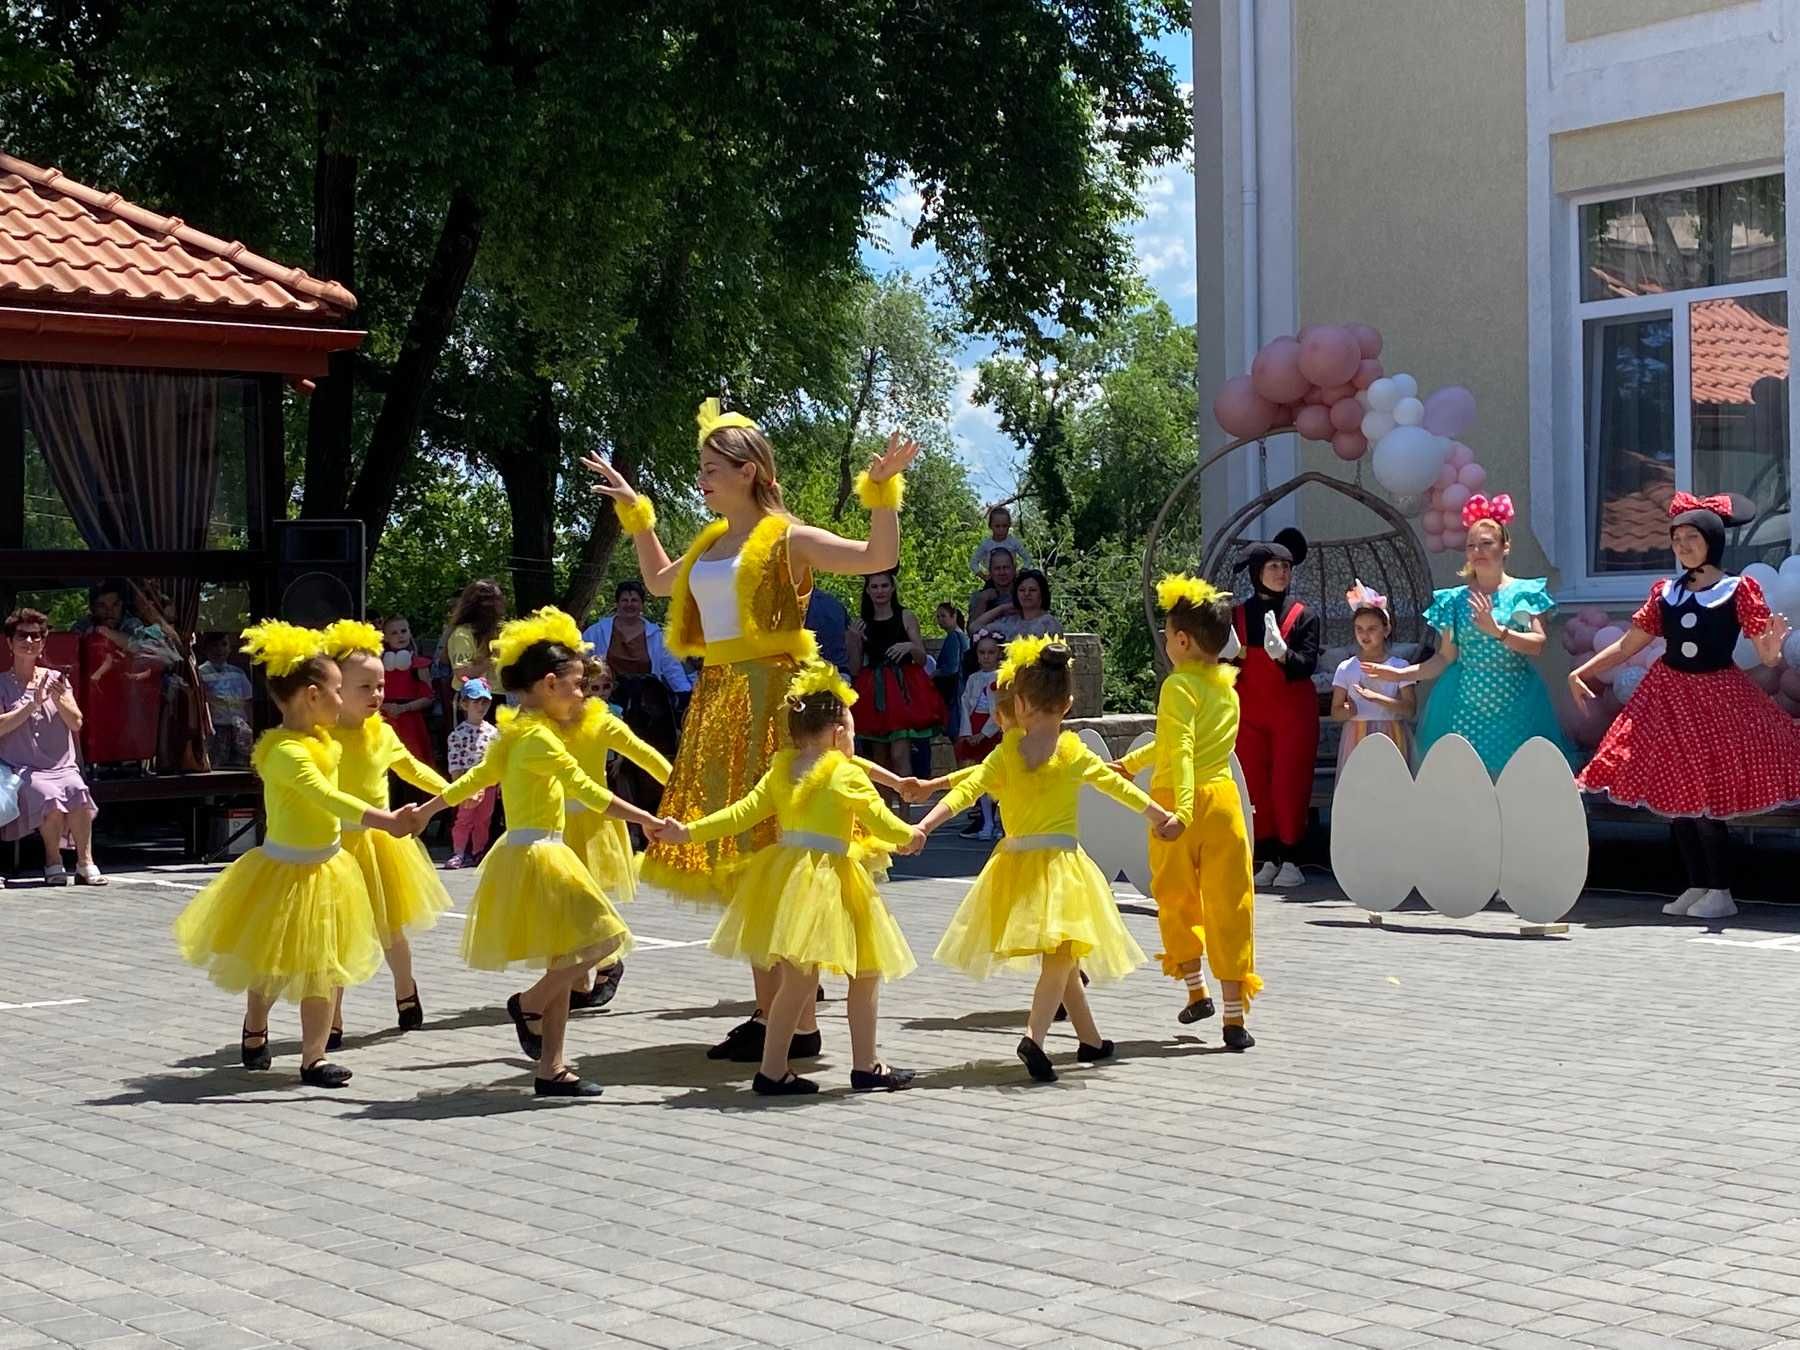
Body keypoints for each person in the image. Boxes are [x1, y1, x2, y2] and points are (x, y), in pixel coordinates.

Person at [582, 396, 918, 1065]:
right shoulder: (710, 542)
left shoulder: (788, 537)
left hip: (772, 703)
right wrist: (637, 513)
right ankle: (778, 1015)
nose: (702, 477)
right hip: (718, 702)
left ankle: (787, 1017)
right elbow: (655, 581)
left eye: (713, 466)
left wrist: (881, 490)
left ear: (749, 471)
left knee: (778, 852)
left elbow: (878, 554)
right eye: (701, 466)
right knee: (745, 861)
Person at [409, 608, 669, 1098]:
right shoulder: (539, 739)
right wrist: (649, 820)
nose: (582, 694)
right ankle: (528, 1003)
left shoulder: (516, 733)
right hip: (542, 854)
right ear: (549, 685)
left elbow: (475, 780)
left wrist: (426, 811)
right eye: (575, 685)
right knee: (604, 941)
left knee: (566, 957)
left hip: (537, 851)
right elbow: (590, 792)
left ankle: (551, 1067)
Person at [913, 638, 1182, 1083]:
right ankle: (1033, 1039)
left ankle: (1091, 1041)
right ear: (1069, 703)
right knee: (1061, 957)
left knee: (1063, 954)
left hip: (1016, 865)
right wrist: (1161, 816)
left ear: (1018, 702)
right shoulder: (1073, 753)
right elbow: (1121, 789)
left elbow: (967, 792)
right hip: (1061, 866)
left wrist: (924, 825)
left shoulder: (1005, 754)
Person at [651, 663, 922, 1096]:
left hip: (788, 874)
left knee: (798, 979)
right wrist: (911, 837)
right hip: (832, 877)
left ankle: (776, 1066)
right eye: (852, 729)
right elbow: (881, 821)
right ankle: (860, 1064)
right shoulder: (845, 771)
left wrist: (688, 831)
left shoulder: (782, 769)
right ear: (837, 733)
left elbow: (741, 813)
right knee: (865, 970)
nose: (854, 738)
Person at [170, 621, 413, 1088]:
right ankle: (256, 1022)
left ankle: (314, 1057)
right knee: (271, 963)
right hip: (285, 870)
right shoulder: (285, 752)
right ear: (311, 695)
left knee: (325, 964)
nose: (343, 700)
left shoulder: (323, 740)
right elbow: (327, 797)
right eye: (338, 690)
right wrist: (386, 820)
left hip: (329, 867)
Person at [1571, 493, 1800, 921]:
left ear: (1712, 540)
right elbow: (1628, 644)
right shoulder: (1666, 592)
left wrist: (1772, 646)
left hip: (1717, 699)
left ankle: (1721, 889)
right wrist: (1582, 670)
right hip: (1668, 698)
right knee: (1677, 798)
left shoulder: (1738, 589)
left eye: (1691, 537)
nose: (1682, 546)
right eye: (1676, 539)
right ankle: (1697, 882)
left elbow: (1767, 655)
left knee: (1706, 796)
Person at [1116, 577, 1259, 1049]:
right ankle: (1234, 1019)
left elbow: (1177, 746)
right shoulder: (1227, 690)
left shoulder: (1178, 686)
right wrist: (1132, 761)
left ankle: (1197, 990)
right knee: (1230, 901)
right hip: (1223, 801)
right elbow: (1183, 741)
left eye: (1167, 635)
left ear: (1182, 640)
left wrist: (1176, 809)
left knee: (1176, 897)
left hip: (1182, 803)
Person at [1370, 493, 1572, 777]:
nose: (1477, 550)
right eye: (1471, 545)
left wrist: (1498, 631)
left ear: (1505, 547)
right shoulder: (1454, 601)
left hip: (1516, 703)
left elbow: (1538, 645)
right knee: (1464, 780)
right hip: (1464, 705)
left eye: (1486, 543)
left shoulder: (1524, 593)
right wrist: (1400, 674)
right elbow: (1444, 658)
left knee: (1517, 777)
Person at [322, 620, 452, 1044]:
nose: (377, 695)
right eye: (366, 687)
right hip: (336, 846)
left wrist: (451, 791)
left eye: (380, 686)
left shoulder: (383, 733)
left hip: (379, 844)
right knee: (337, 933)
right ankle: (333, 1017)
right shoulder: (321, 737)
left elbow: (411, 768)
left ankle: (405, 988)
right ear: (336, 690)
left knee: (390, 927)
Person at [562, 656, 673, 1012]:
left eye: (598, 688)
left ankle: (609, 961)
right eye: (582, 686)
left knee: (587, 902)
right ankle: (578, 981)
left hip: (595, 824)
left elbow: (646, 756)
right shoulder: (551, 722)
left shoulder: (604, 722)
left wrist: (679, 791)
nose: (588, 695)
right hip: (558, 823)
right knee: (566, 906)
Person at [1231, 528, 1321, 889]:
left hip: (1292, 714)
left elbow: (1307, 664)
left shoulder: (1303, 615)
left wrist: (1284, 655)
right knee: (1253, 784)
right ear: (1257, 571)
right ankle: (1265, 855)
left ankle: (1292, 857)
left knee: (1289, 784)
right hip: (1249, 713)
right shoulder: (1236, 615)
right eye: (1273, 566)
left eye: (1285, 566)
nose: (1281, 572)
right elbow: (1227, 667)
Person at [0, 609, 102, 885]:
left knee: (78, 790)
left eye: (37, 636)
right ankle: (53, 860)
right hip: (22, 769)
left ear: (43, 642)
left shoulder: (56, 679)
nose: (30, 641)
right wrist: (32, 703)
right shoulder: (1, 684)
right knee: (49, 797)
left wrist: (59, 700)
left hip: (61, 766)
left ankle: (85, 862)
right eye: (22, 635)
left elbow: (77, 722)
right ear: (9, 642)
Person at [581, 580, 690, 818]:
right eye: (624, 600)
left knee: (648, 750)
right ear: (617, 603)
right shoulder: (597, 631)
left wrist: (684, 694)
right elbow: (581, 660)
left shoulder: (656, 634)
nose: (629, 605)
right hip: (609, 696)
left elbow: (671, 667)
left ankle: (653, 805)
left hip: (647, 703)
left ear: (642, 604)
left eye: (634, 600)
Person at [849, 571, 944, 796]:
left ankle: (905, 816)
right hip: (874, 690)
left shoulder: (906, 616)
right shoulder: (861, 623)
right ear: (868, 590)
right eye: (875, 586)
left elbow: (922, 658)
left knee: (900, 755)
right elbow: (854, 667)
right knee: (879, 760)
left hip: (902, 690)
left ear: (892, 588)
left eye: (884, 586)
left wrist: (909, 647)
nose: (880, 591)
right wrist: (852, 639)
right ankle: (885, 818)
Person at [1330, 581, 1415, 774]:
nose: (1364, 635)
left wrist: (1376, 698)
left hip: (1392, 735)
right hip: (1356, 737)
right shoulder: (1346, 668)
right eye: (1359, 629)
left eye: (1372, 629)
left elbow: (1409, 709)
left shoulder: (1399, 667)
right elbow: (1336, 712)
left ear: (1386, 630)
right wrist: (1347, 710)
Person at [954, 632, 1005, 839]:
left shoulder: (1003, 676)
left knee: (1000, 779)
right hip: (975, 725)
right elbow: (965, 705)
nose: (986, 657)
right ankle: (986, 822)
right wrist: (968, 732)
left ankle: (1001, 823)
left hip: (994, 729)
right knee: (982, 777)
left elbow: (1001, 710)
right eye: (982, 652)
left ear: (998, 654)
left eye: (991, 652)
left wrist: (985, 733)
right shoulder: (974, 678)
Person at [445, 678, 500, 868]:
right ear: (464, 704)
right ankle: (458, 852)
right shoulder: (458, 734)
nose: (481, 706)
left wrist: (499, 782)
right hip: (468, 783)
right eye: (476, 701)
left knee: (483, 820)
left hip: (489, 784)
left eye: (485, 702)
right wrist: (458, 785)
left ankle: (478, 851)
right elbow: (455, 761)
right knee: (464, 819)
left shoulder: (493, 732)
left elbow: (497, 760)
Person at [379, 615, 438, 772]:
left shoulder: (419, 664)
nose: (400, 635)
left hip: (411, 722)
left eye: (404, 631)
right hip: (383, 719)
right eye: (394, 633)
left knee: (414, 766)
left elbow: (429, 697)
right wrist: (384, 706)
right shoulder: (377, 664)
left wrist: (404, 708)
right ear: (385, 637)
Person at [197, 632, 254, 769]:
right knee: (217, 767)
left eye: (224, 645)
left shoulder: (238, 673)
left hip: (240, 729)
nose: (219, 650)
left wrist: (251, 727)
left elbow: (247, 701)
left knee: (242, 767)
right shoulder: (200, 673)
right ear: (206, 649)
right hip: (216, 729)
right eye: (214, 645)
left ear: (229, 648)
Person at [439, 579, 506, 694]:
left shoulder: (503, 629)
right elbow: (462, 674)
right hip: (476, 698)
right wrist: (493, 659)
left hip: (503, 695)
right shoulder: (462, 634)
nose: (503, 602)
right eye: (497, 598)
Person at [988, 569, 1063, 641]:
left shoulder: (1049, 624)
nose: (1026, 594)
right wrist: (1001, 608)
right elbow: (977, 628)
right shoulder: (1009, 621)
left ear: (1042, 594)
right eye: (1022, 590)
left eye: (1032, 590)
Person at [967, 546, 1021, 636]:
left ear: (1014, 569)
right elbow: (971, 633)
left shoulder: (1024, 594)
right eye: (997, 568)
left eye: (1006, 567)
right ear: (990, 572)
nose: (1002, 572)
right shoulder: (979, 597)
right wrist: (982, 601)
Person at [969, 503, 1033, 578]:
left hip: (1012, 581)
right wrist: (983, 576)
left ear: (1009, 525)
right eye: (997, 526)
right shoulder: (986, 544)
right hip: (993, 582)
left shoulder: (1014, 542)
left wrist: (1022, 571)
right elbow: (973, 562)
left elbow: (1027, 559)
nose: (1001, 529)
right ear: (990, 526)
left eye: (1004, 526)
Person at [933, 603, 969, 738]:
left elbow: (952, 667)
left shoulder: (954, 637)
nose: (940, 620)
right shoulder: (962, 637)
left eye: (943, 616)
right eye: (938, 617)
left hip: (955, 687)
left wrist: (935, 673)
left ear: (954, 616)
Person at [804, 587, 853, 680]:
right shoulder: (835, 603)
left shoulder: (797, 607)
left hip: (810, 677)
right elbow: (848, 637)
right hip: (841, 675)